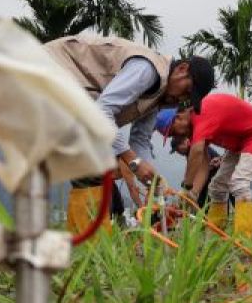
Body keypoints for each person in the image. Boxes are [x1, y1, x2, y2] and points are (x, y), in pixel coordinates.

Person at [43, 34, 214, 233]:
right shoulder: (147, 70)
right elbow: (102, 111)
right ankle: (91, 242)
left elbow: (140, 139)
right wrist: (133, 161)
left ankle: (83, 241)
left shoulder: (157, 96)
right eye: (187, 91)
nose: (182, 99)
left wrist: (152, 181)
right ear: (182, 69)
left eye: (188, 99)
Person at [164, 93, 252, 238]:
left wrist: (186, 188)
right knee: (216, 187)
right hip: (240, 144)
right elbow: (203, 164)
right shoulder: (195, 127)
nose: (177, 136)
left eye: (174, 132)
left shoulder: (201, 113)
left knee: (239, 183)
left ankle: (244, 240)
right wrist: (192, 194)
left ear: (179, 117)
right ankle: (214, 237)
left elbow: (196, 152)